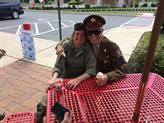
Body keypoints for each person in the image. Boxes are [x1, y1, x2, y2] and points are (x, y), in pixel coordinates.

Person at [36, 23, 96, 123]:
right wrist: (53, 78)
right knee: (47, 100)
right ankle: (38, 118)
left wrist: (78, 79)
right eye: (77, 34)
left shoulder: (88, 48)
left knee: (89, 104)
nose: (79, 37)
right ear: (73, 34)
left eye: (82, 35)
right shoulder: (66, 45)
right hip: (64, 78)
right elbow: (58, 66)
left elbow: (91, 69)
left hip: (81, 80)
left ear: (85, 37)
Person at [56, 15, 127, 87]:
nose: (93, 36)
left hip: (105, 84)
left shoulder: (111, 46)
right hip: (87, 82)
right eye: (89, 32)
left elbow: (123, 68)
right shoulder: (85, 40)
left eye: (96, 32)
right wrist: (59, 45)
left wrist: (107, 76)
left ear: (102, 31)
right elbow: (72, 38)